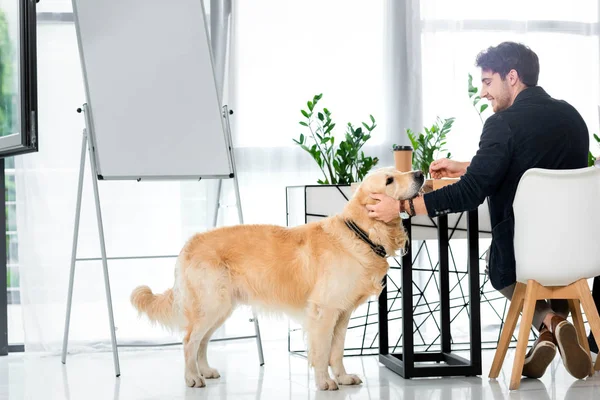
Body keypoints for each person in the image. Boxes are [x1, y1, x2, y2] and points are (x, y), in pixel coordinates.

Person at [367, 42, 594, 380]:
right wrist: (465, 165)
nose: (484, 92)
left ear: (512, 77)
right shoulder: (573, 118)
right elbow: (534, 163)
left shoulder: (503, 124)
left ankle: (550, 322)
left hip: (525, 256)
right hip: (580, 255)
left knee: (500, 270)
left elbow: (472, 192)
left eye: (488, 82)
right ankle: (550, 333)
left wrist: (403, 206)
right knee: (547, 267)